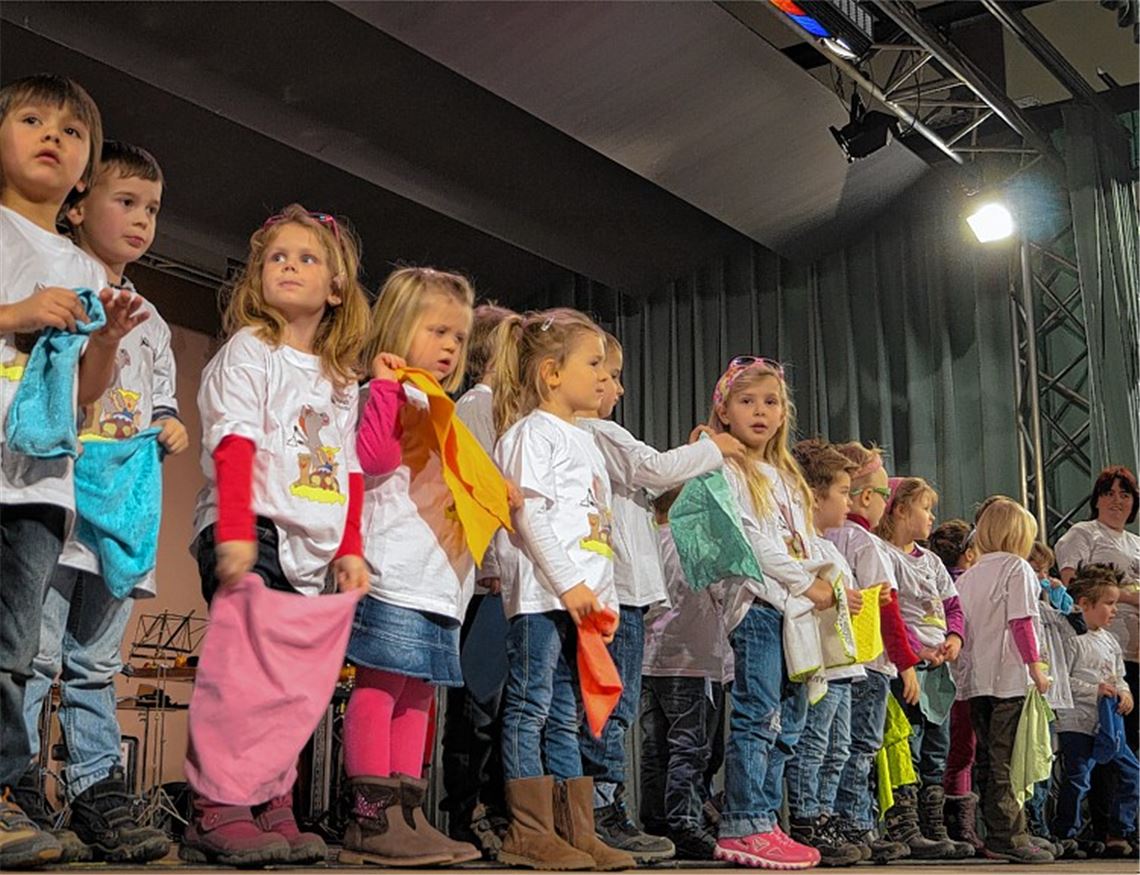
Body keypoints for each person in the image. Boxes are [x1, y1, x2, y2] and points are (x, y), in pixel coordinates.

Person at [182, 205, 371, 866]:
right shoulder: (251, 350)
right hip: (249, 524)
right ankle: (219, 805)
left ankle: (270, 801)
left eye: (307, 257)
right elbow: (235, 438)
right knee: (246, 671)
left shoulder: (343, 380)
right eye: (276, 257)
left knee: (292, 682)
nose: (288, 266)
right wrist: (234, 528)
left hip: (311, 543)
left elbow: (347, 468)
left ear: (337, 288)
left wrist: (350, 547)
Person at [13, 141, 183, 866]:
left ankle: (95, 785)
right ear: (79, 206)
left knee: (95, 662)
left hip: (120, 510)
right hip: (59, 503)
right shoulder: (57, 286)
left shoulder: (156, 321)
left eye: (152, 208)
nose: (141, 219)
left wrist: (170, 424)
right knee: (35, 653)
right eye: (126, 202)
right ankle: (16, 777)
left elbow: (162, 400)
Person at [0, 74, 147, 870]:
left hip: (40, 482)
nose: (51, 136)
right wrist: (18, 316)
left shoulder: (82, 266)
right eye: (30, 120)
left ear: (86, 168)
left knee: (14, 647)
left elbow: (87, 399)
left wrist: (107, 344)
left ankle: (3, 791)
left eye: (72, 132)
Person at [341, 266, 499, 868]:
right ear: (400, 329)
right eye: (439, 332)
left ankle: (408, 814)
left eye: (458, 338)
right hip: (395, 572)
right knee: (381, 687)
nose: (451, 347)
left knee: (420, 698)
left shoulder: (440, 407)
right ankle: (369, 819)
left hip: (438, 582)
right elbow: (373, 458)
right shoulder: (381, 396)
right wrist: (382, 387)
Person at [577, 331, 740, 861]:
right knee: (612, 714)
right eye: (608, 373)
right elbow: (655, 469)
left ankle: (606, 808)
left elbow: (652, 484)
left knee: (622, 717)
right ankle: (601, 808)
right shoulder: (599, 432)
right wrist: (710, 448)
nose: (618, 388)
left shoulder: (593, 436)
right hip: (617, 592)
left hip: (629, 595)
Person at [492, 308, 634, 871]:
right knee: (530, 705)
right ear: (551, 373)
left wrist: (603, 598)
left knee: (567, 714)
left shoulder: (587, 441)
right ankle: (529, 830)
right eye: (592, 363)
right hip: (541, 596)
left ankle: (576, 830)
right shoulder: (532, 434)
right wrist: (569, 584)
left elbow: (595, 530)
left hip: (580, 602)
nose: (604, 376)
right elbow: (530, 518)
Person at [703, 356, 838, 870]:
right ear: (725, 411)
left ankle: (764, 817)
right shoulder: (728, 469)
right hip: (758, 608)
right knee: (757, 716)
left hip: (794, 614)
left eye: (771, 402)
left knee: (791, 722)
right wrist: (805, 579)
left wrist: (819, 576)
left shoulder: (786, 477)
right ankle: (742, 821)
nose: (760, 411)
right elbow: (748, 538)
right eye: (746, 401)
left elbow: (800, 540)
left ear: (784, 413)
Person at [440, 302, 519, 855]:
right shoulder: (477, 404)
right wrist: (489, 564)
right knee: (477, 702)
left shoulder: (513, 411)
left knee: (504, 703)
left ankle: (499, 808)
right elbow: (473, 489)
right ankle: (464, 810)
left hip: (512, 584)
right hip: (485, 581)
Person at [824, 442, 921, 862]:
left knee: (837, 746)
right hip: (870, 664)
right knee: (860, 746)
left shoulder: (826, 535)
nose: (886, 503)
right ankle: (857, 823)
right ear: (867, 498)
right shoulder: (867, 544)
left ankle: (846, 822)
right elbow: (887, 605)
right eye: (884, 495)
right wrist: (907, 665)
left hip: (838, 661)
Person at [953, 498, 1054, 862]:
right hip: (1008, 679)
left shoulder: (970, 574)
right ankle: (1007, 836)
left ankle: (1008, 829)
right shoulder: (1017, 568)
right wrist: (1036, 666)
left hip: (976, 681)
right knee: (1007, 759)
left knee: (989, 760)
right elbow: (1022, 622)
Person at [877, 477, 973, 858]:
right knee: (910, 748)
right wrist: (916, 652)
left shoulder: (931, 560)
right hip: (910, 670)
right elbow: (892, 615)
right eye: (925, 508)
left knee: (938, 747)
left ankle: (935, 826)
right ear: (900, 509)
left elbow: (952, 606)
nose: (931, 516)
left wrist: (955, 638)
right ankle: (907, 825)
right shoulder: (885, 555)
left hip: (938, 670)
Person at [785, 439, 867, 867]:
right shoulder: (803, 545)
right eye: (843, 493)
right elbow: (803, 592)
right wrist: (839, 596)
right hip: (819, 664)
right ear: (815, 497)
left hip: (843, 664)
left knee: (837, 749)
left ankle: (826, 814)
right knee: (812, 746)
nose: (849, 502)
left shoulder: (829, 545)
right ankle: (805, 818)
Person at [639, 488, 732, 860]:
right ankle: (685, 823)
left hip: (651, 660)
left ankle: (656, 822)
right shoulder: (694, 545)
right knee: (690, 749)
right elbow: (723, 592)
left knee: (655, 749)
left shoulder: (646, 543)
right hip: (693, 662)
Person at [1053, 562, 1138, 858]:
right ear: (1085, 604)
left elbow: (1118, 676)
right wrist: (1095, 690)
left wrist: (1125, 693)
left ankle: (1119, 831)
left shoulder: (1110, 641)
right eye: (1109, 604)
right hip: (1077, 721)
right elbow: (1061, 680)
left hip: (1108, 724)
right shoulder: (1070, 638)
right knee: (1078, 777)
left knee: (1132, 773)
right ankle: (1067, 834)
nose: (1114, 610)